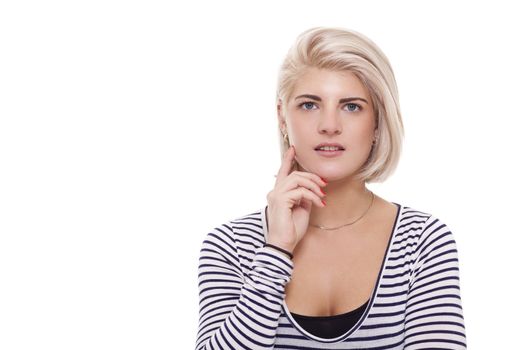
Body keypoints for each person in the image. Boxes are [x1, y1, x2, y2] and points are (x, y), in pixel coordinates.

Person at [195, 26, 467, 349]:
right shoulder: (230, 247)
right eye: (310, 105)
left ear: (378, 121)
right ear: (282, 117)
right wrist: (276, 251)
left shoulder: (422, 242)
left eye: (351, 106)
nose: (329, 125)